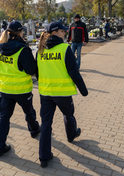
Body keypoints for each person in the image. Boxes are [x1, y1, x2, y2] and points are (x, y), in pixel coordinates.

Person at [37, 21, 88, 168]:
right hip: (62, 93)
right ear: (55, 32)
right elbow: (73, 72)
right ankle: (71, 135)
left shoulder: (40, 50)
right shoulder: (64, 49)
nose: (65, 32)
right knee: (68, 114)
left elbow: (37, 71)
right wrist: (83, 90)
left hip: (45, 92)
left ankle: (43, 157)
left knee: (46, 123)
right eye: (63, 31)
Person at [0, 21, 40, 157]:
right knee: (29, 112)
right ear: (20, 32)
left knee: (4, 117)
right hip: (21, 90)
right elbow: (31, 70)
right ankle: (34, 130)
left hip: (4, 89)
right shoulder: (23, 49)